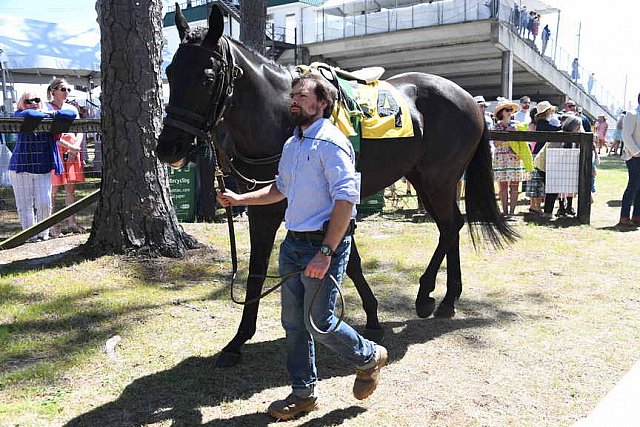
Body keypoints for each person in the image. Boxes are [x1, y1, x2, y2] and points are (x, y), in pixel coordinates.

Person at [217, 72, 387, 420]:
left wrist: (326, 252)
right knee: (294, 325)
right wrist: (239, 199)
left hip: (321, 246)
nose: (293, 100)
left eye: (303, 96)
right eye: (292, 95)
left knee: (320, 322)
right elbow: (280, 189)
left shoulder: (332, 143)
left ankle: (369, 356)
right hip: (293, 243)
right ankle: (303, 394)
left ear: (322, 103)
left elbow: (346, 202)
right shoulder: (292, 144)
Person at [7, 92, 72, 241]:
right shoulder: (19, 114)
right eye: (28, 101)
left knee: (44, 202)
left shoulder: (47, 115)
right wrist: (48, 114)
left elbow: (71, 112)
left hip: (43, 167)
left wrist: (50, 112)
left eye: (37, 100)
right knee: (25, 205)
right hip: (20, 167)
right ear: (21, 104)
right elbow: (31, 114)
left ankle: (43, 234)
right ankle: (30, 235)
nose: (33, 103)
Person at [45, 77, 84, 235]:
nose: (66, 92)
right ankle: (53, 225)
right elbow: (50, 134)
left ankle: (72, 222)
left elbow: (80, 129)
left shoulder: (72, 108)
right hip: (56, 148)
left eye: (68, 89)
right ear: (53, 90)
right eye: (63, 89)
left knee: (70, 189)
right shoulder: (47, 107)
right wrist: (69, 146)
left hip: (73, 148)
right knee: (53, 190)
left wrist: (75, 148)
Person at [491, 98, 532, 217]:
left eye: (510, 110)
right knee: (502, 186)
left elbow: (522, 142)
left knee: (515, 186)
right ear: (501, 112)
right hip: (501, 158)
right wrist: (507, 135)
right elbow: (496, 143)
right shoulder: (496, 127)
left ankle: (512, 212)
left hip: (514, 157)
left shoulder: (517, 125)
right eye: (507, 110)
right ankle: (504, 211)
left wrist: (514, 133)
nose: (509, 112)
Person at [541, 114, 583, 218]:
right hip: (547, 165)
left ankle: (564, 209)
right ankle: (547, 213)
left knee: (562, 188)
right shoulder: (559, 135)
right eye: (577, 127)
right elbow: (550, 153)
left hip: (560, 166)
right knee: (552, 190)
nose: (579, 129)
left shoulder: (577, 138)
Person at [618, 93, 640, 226]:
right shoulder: (631, 114)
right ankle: (624, 217)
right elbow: (626, 136)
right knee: (633, 185)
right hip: (633, 156)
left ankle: (637, 215)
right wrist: (636, 152)